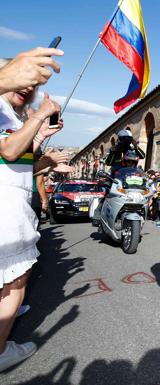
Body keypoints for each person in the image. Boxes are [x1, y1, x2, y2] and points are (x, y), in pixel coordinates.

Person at [0, 73, 63, 371]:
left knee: (11, 280)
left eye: (34, 86)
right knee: (16, 281)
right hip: (7, 206)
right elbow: (10, 150)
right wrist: (39, 115)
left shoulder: (11, 114)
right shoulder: (2, 108)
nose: (29, 88)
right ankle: (1, 351)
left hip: (13, 200)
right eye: (24, 79)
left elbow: (19, 163)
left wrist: (40, 139)